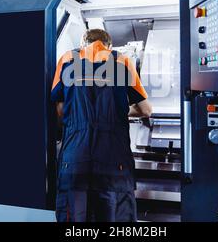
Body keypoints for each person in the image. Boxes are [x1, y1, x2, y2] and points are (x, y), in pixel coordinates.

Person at [51, 29, 152, 222]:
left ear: (83, 43)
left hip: (75, 159)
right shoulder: (122, 60)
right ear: (109, 45)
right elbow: (146, 110)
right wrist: (121, 111)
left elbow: (61, 110)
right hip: (113, 162)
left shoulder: (66, 59)